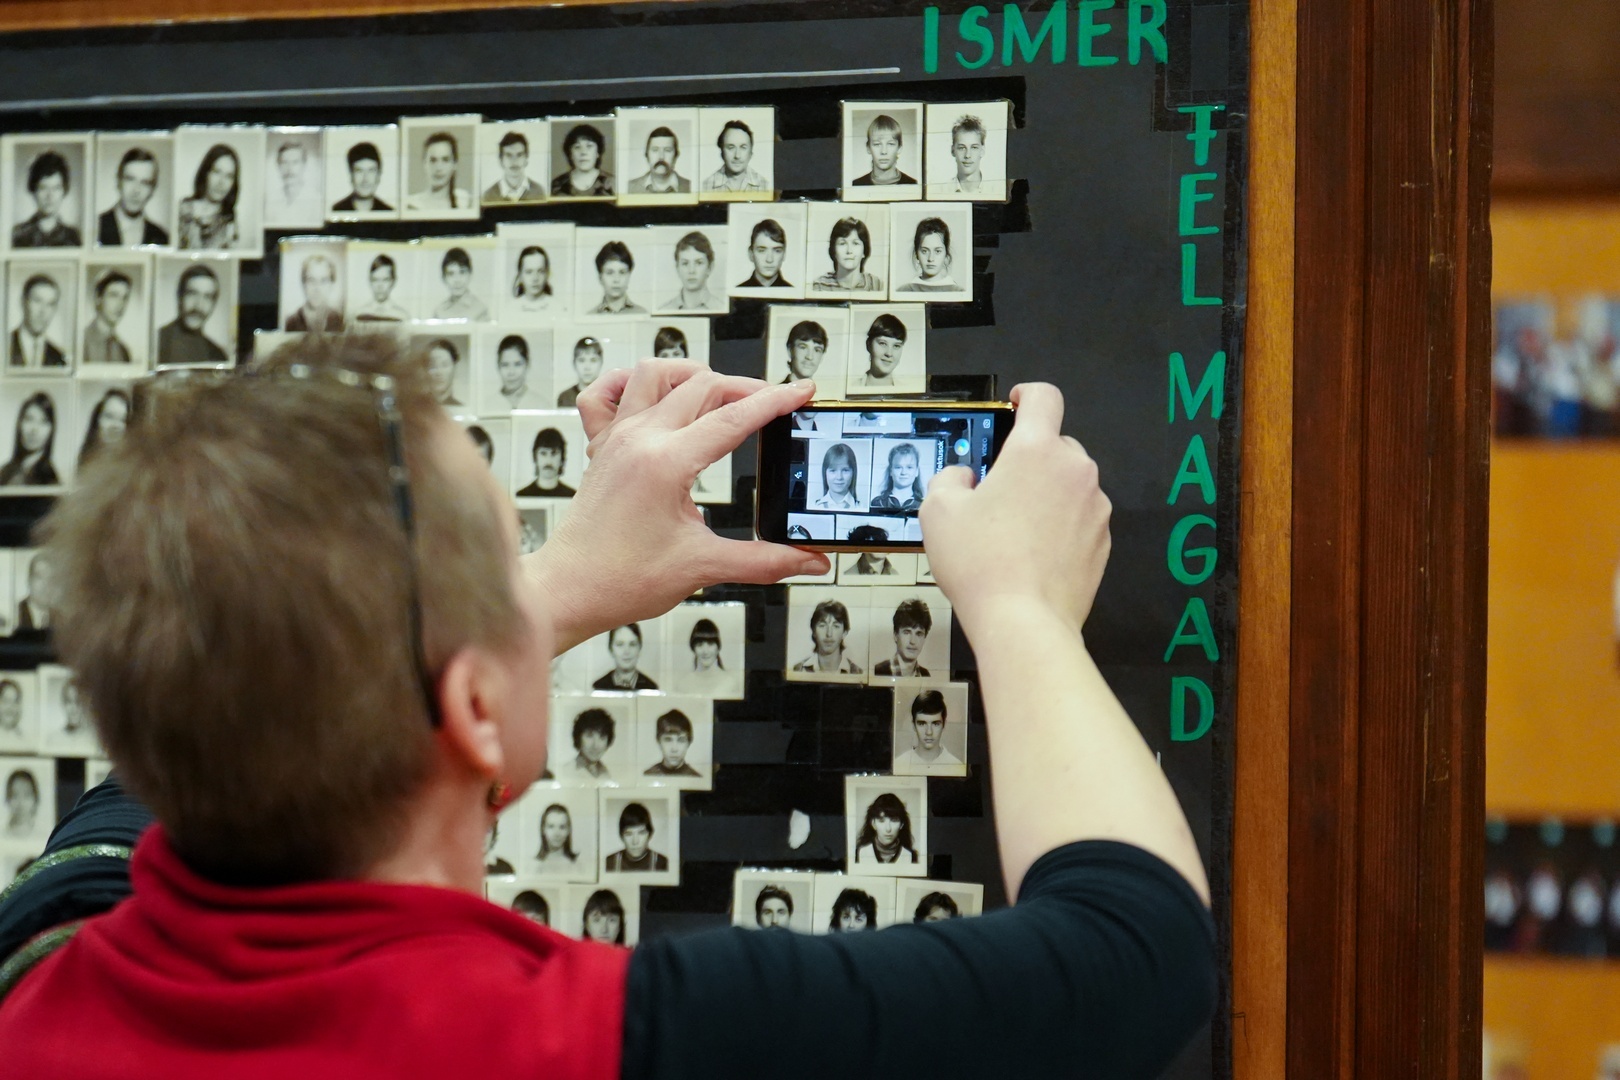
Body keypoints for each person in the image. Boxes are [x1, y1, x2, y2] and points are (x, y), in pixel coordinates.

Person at [0, 348, 1216, 1078]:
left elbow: (208, 723)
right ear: (476, 709)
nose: (538, 575)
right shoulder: (603, 1042)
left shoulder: (41, 966)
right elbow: (1134, 954)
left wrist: (563, 583)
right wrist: (1021, 609)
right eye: (512, 556)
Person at [156, 263, 228, 366]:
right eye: (192, 293)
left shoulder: (218, 356)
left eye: (207, 297)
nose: (199, 305)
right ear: (179, 297)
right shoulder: (156, 342)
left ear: (214, 304)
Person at [98, 147, 170, 246]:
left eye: (145, 183)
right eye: (130, 179)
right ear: (118, 181)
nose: (136, 190)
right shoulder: (96, 227)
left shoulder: (162, 238)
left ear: (153, 190)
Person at [176, 143, 241, 250]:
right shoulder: (181, 210)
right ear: (206, 172)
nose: (221, 182)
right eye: (216, 172)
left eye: (229, 176)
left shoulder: (230, 223)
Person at [13, 150, 81, 248]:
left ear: (64, 191)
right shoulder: (18, 236)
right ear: (33, 190)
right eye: (43, 188)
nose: (50, 196)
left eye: (56, 188)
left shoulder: (73, 237)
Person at [895, 690, 964, 777]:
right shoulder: (899, 764)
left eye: (935, 724)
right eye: (922, 724)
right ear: (913, 725)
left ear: (944, 725)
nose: (929, 732)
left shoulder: (956, 767)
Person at [0, 392, 59, 488]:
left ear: (51, 430)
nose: (34, 429)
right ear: (19, 424)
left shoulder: (50, 480)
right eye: (29, 419)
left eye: (43, 421)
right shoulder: (4, 472)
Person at [791, 598, 862, 676]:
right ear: (814, 631)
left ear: (844, 632)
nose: (829, 634)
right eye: (822, 626)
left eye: (836, 626)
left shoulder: (857, 673)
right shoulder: (799, 670)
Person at [9, 274, 67, 368]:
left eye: (50, 304)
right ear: (23, 302)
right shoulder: (4, 346)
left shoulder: (59, 357)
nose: (43, 311)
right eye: (37, 301)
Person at [813, 216, 883, 293]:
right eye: (842, 243)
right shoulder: (820, 286)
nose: (849, 251)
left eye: (855, 243)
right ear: (834, 250)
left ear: (864, 251)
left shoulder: (876, 285)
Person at [406, 131, 470, 212]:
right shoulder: (412, 204)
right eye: (433, 160)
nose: (438, 168)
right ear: (424, 164)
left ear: (455, 164)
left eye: (445, 160)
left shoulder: (464, 200)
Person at [82, 270, 135, 366]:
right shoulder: (82, 342)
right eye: (114, 295)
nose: (120, 304)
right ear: (98, 298)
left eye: (125, 297)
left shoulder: (123, 351)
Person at [896, 217, 962, 294]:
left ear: (946, 254)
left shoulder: (958, 292)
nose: (931, 258)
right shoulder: (903, 291)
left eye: (937, 251)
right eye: (924, 251)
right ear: (916, 254)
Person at [851, 114, 917, 187]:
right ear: (868, 148)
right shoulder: (856, 185)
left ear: (899, 148)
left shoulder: (913, 184)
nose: (883, 151)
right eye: (877, 144)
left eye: (890, 144)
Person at [853, 792, 918, 866]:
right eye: (881, 821)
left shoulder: (911, 856)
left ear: (901, 824)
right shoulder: (859, 854)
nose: (888, 829)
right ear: (873, 824)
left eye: (894, 820)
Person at [703, 119, 768, 193]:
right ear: (722, 152)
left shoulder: (765, 185)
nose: (737, 156)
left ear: (751, 153)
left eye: (743, 147)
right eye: (731, 147)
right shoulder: (706, 186)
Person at [874, 600, 934, 679]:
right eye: (907, 632)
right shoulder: (878, 672)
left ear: (924, 638)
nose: (913, 641)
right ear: (895, 635)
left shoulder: (925, 675)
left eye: (919, 634)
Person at [660, 231, 720, 311]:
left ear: (710, 268)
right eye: (685, 263)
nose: (691, 271)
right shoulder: (664, 310)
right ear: (677, 268)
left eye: (699, 263)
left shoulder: (720, 308)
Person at [284, 254, 345, 332]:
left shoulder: (340, 320)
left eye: (323, 281)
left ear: (332, 284)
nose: (317, 288)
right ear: (303, 283)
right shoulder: (291, 322)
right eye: (311, 280)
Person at [604, 802, 669, 873]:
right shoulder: (609, 863)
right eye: (629, 834)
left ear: (649, 834)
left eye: (641, 833)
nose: (635, 841)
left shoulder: (663, 863)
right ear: (621, 836)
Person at [552, 123, 613, 197]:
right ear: (570, 154)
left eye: (589, 146)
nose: (583, 152)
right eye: (577, 147)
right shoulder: (556, 186)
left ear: (598, 152)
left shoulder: (612, 183)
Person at [331, 141, 393, 214]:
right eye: (359, 171)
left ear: (379, 175)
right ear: (351, 174)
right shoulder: (336, 211)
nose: (365, 179)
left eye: (371, 171)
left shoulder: (388, 212)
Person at [592, 623, 659, 691]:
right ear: (611, 649)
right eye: (620, 644)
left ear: (640, 648)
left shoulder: (651, 688)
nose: (626, 651)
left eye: (632, 644)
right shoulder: (599, 687)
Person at [77, 389, 132, 470]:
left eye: (122, 420)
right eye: (109, 416)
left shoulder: (131, 467)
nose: (116, 425)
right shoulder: (86, 462)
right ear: (97, 420)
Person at [626, 126, 690, 194]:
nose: (661, 157)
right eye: (655, 150)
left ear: (675, 156)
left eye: (667, 150)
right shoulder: (630, 189)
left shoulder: (689, 188)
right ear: (647, 155)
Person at [483, 131, 543, 203]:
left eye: (519, 155)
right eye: (509, 155)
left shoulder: (539, 192)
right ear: (501, 161)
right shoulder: (488, 196)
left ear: (526, 160)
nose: (514, 161)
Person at [587, 241, 645, 315]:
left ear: (629, 276)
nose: (616, 280)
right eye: (609, 273)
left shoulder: (642, 314)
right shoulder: (590, 316)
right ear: (600, 278)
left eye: (622, 272)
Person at [268, 140, 320, 224]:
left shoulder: (316, 200)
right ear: (278, 165)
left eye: (295, 162)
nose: (289, 168)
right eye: (284, 162)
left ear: (304, 165)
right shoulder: (270, 201)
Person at [432, 247, 490, 321]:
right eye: (451, 273)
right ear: (444, 277)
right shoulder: (439, 312)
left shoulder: (480, 310)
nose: (457, 280)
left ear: (470, 274)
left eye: (462, 272)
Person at [676, 617, 731, 694]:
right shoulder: (683, 685)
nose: (705, 651)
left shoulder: (730, 684)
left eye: (710, 644)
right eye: (700, 645)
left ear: (718, 647)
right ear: (693, 648)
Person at [516, 428, 575, 497]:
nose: (548, 460)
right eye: (543, 453)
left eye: (554, 453)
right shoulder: (521, 496)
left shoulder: (573, 496)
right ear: (535, 457)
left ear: (562, 458)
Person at [351, 254, 410, 323]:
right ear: (370, 281)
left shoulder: (402, 316)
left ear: (393, 281)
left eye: (385, 280)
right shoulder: (359, 314)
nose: (380, 286)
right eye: (375, 279)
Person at [856, 313, 908, 387]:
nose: (889, 353)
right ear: (868, 345)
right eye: (882, 343)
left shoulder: (908, 391)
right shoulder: (852, 388)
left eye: (896, 346)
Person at [737, 218, 791, 289]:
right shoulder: (737, 291)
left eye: (777, 251)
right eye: (761, 250)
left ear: (784, 254)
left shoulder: (794, 292)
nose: (769, 259)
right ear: (751, 253)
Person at [643, 709, 698, 777]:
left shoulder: (696, 777)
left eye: (681, 740)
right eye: (668, 740)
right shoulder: (648, 775)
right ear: (658, 741)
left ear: (689, 742)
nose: (674, 749)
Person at [871, 443, 926, 512]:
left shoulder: (925, 506)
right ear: (891, 471)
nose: (903, 472)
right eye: (898, 467)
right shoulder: (878, 503)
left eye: (909, 467)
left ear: (916, 471)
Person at [494, 334, 542, 409]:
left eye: (517, 364)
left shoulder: (541, 405)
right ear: (498, 366)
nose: (511, 372)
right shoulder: (487, 406)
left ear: (527, 364)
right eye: (505, 365)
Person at [568, 707, 616, 781]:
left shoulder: (607, 774)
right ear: (578, 738)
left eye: (602, 737)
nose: (596, 745)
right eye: (589, 736)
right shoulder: (566, 772)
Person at [556, 337, 604, 408]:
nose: (587, 367)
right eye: (581, 360)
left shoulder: (613, 396)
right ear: (574, 363)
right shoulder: (565, 398)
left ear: (601, 362)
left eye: (593, 360)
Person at [946, 114, 988, 195]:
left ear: (982, 151)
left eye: (974, 147)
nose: (967, 155)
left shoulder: (999, 192)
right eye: (962, 148)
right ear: (953, 150)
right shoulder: (939, 192)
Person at [810, 442, 859, 510]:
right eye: (833, 471)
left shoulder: (859, 507)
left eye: (845, 470)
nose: (839, 477)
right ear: (825, 473)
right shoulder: (815, 507)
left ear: (853, 472)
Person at [511, 245, 555, 313]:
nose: (535, 278)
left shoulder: (558, 309)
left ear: (547, 274)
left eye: (540, 271)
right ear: (520, 275)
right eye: (529, 272)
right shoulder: (510, 311)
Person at [16, 552, 53, 629]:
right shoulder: (15, 613)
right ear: (29, 580)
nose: (45, 584)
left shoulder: (61, 618)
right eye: (40, 576)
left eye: (49, 578)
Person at [535, 803, 579, 869]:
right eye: (551, 826)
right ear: (543, 829)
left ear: (568, 830)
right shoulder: (534, 865)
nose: (557, 833)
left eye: (562, 827)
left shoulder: (577, 866)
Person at [423, 338, 462, 407]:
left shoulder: (461, 408)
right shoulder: (416, 407)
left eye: (445, 365)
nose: (439, 373)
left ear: (455, 369)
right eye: (433, 366)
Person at [4, 769, 38, 836]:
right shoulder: (2, 834)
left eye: (26, 795)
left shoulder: (45, 835)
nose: (20, 803)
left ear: (35, 799)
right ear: (8, 799)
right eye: (15, 795)